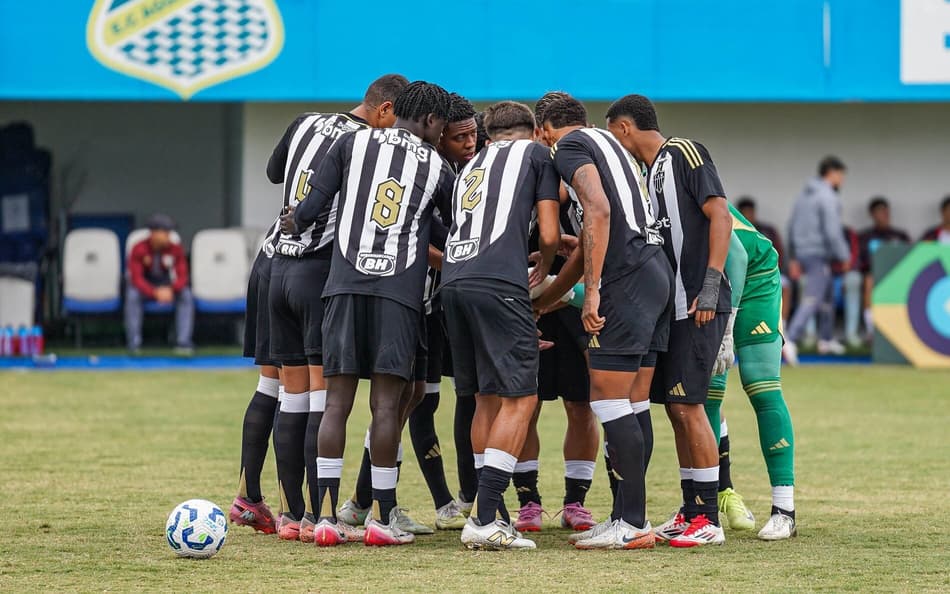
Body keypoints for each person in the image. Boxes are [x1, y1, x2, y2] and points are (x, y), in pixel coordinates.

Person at [285, 80, 455, 547]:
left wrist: (292, 221)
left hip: (342, 288)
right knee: (385, 405)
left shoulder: (351, 141)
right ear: (432, 121)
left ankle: (323, 517)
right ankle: (381, 520)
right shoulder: (436, 164)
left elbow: (312, 208)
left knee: (336, 402)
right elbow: (453, 226)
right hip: (398, 295)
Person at [265, 74, 408, 544]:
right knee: (327, 402)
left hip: (276, 267)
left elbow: (273, 172)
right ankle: (319, 518)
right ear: (385, 111)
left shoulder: (306, 120)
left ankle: (291, 515)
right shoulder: (365, 144)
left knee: (290, 397)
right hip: (320, 273)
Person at [535, 96, 672, 551]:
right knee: (632, 402)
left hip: (626, 280)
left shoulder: (567, 148)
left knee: (608, 399)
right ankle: (626, 516)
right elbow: (596, 231)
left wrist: (591, 290)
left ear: (545, 130)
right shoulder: (607, 143)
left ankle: (631, 522)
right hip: (654, 272)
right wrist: (552, 295)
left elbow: (597, 210)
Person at [338, 93, 477, 534]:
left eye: (474, 134)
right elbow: (431, 241)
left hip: (432, 304)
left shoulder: (459, 172)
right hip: (407, 298)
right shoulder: (429, 170)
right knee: (406, 401)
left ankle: (369, 502)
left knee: (413, 396)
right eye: (458, 137)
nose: (468, 143)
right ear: (438, 131)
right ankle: (383, 504)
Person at [604, 94, 732, 548]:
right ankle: (691, 507)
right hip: (671, 309)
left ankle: (709, 517)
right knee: (677, 409)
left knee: (689, 406)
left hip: (699, 302)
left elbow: (720, 214)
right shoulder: (647, 174)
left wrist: (712, 284)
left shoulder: (683, 151)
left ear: (623, 129)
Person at [439, 100, 560, 550]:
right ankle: (486, 517)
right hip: (498, 280)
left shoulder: (471, 163)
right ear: (534, 131)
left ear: (489, 134)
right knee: (521, 398)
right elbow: (547, 233)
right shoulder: (536, 155)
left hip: (453, 280)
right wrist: (545, 263)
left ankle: (485, 510)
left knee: (485, 398)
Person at [510, 91, 598, 535]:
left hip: (574, 295)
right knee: (525, 402)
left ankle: (575, 502)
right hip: (527, 297)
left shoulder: (583, 164)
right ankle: (528, 501)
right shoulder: (523, 170)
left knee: (581, 403)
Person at [706, 202, 799, 541]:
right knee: (706, 396)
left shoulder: (676, 174)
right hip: (711, 282)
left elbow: (738, 257)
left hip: (755, 277)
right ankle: (706, 504)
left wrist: (726, 328)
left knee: (761, 387)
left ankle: (784, 510)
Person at [784, 156, 852, 364]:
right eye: (841, 176)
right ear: (832, 173)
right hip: (818, 254)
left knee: (828, 295)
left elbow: (790, 227)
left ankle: (826, 339)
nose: (842, 180)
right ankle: (791, 339)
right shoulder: (827, 196)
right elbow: (832, 231)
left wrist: (793, 257)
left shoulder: (802, 196)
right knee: (813, 298)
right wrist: (844, 255)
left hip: (803, 253)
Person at [124, 214, 193, 355]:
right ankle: (134, 343)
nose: (169, 236)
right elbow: (136, 278)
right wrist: (154, 292)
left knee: (186, 295)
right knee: (132, 295)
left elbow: (183, 276)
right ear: (154, 233)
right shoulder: (139, 248)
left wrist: (171, 290)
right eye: (165, 232)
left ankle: (183, 342)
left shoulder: (175, 248)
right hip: (145, 286)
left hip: (166, 285)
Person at [857, 197, 911, 341]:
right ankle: (871, 330)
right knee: (869, 280)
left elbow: (911, 258)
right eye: (880, 212)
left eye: (886, 212)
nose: (884, 215)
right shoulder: (864, 237)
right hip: (873, 277)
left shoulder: (900, 235)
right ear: (872, 215)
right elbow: (858, 261)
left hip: (898, 277)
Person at [736, 196, 792, 327]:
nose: (749, 216)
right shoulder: (734, 232)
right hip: (744, 275)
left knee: (785, 285)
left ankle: (782, 326)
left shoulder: (767, 230)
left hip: (769, 273)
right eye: (745, 213)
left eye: (751, 212)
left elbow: (779, 254)